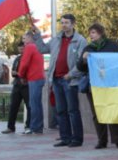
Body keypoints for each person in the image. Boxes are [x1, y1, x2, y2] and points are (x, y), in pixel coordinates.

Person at [32, 14, 87, 147]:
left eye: (66, 23)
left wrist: (71, 74)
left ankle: (77, 139)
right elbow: (42, 49)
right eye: (62, 23)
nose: (64, 25)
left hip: (70, 80)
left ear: (73, 24)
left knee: (73, 110)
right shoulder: (56, 39)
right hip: (56, 79)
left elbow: (81, 62)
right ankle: (65, 137)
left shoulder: (80, 40)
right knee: (61, 110)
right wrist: (37, 36)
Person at [76, 22, 118, 150]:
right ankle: (102, 140)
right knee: (97, 113)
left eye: (93, 32)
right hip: (94, 86)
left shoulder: (112, 45)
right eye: (90, 33)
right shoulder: (89, 48)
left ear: (100, 33)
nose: (91, 36)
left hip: (110, 84)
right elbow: (80, 68)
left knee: (113, 111)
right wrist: (83, 59)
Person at [18, 31, 45, 134]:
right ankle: (38, 126)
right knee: (37, 104)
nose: (23, 41)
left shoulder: (29, 47)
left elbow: (24, 63)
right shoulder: (37, 47)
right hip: (39, 77)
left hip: (34, 78)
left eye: (24, 39)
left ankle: (34, 127)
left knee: (33, 104)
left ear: (30, 38)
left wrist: (21, 75)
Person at [2, 41, 31, 134]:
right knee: (13, 106)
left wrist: (18, 73)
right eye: (19, 49)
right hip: (17, 84)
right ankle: (10, 127)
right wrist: (15, 73)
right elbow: (13, 71)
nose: (21, 50)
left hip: (26, 85)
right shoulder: (17, 59)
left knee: (29, 106)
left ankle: (28, 126)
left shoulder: (29, 58)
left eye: (22, 48)